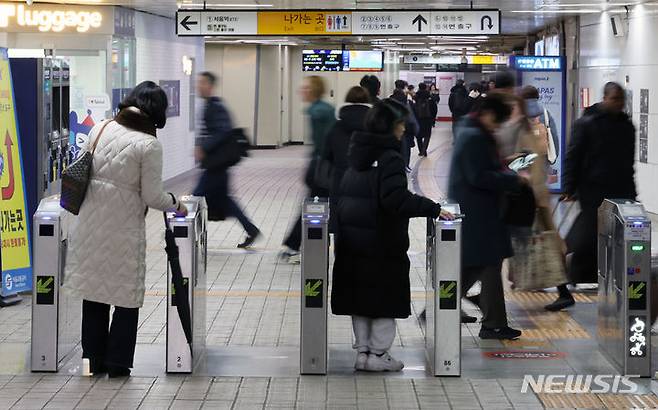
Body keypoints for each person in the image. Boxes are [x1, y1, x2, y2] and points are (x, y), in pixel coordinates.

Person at [65, 81, 187, 378]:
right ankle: (118, 364)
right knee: (125, 296)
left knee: (93, 294)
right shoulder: (149, 145)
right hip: (123, 232)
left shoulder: (102, 128)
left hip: (89, 227)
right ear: (157, 113)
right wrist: (177, 205)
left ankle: (90, 363)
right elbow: (152, 196)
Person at [331, 99, 454, 372]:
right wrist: (433, 208)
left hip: (353, 241)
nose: (402, 129)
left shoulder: (357, 153)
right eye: (400, 124)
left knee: (361, 298)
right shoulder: (390, 158)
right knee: (384, 298)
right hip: (381, 242)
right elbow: (395, 199)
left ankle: (363, 352)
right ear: (391, 126)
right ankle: (378, 354)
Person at [546, 82, 637, 311]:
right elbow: (573, 156)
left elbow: (628, 162)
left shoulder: (627, 127)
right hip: (592, 192)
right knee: (584, 238)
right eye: (614, 99)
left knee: (615, 239)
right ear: (604, 97)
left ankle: (599, 279)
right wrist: (568, 187)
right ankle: (568, 283)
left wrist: (632, 193)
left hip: (622, 192)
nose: (618, 104)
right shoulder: (587, 124)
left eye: (621, 100)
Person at [448, 93, 526, 340]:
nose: (497, 127)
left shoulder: (471, 130)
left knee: (474, 265)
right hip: (478, 212)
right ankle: (493, 324)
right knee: (489, 264)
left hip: (477, 211)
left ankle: (441, 307)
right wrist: (514, 178)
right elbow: (478, 176)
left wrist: (504, 163)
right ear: (488, 114)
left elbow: (481, 167)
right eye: (497, 122)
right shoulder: (474, 136)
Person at [193, 71, 260, 248]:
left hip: (217, 164)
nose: (198, 86)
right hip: (216, 165)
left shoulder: (216, 107)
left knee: (195, 198)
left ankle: (189, 236)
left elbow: (223, 131)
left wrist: (204, 147)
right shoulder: (209, 105)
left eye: (202, 83)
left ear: (210, 86)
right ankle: (251, 230)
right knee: (225, 201)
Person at [281, 76, 336, 263]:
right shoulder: (323, 109)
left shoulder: (317, 111)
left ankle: (296, 245)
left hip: (320, 167)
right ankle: (296, 244)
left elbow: (322, 143)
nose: (301, 91)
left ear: (313, 90)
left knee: (314, 206)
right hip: (324, 166)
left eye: (305, 88)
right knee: (318, 205)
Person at [323, 86, 370, 233]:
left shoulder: (335, 127)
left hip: (340, 183)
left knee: (341, 227)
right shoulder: (375, 126)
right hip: (368, 183)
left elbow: (326, 154)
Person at [521, 85, 560, 184]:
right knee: (539, 187)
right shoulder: (545, 113)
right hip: (542, 159)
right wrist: (553, 158)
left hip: (522, 159)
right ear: (537, 97)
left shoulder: (518, 113)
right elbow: (554, 136)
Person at [390, 80, 419, 168]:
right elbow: (412, 117)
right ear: (404, 87)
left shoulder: (390, 99)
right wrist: (415, 130)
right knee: (406, 148)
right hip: (406, 128)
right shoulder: (407, 101)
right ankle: (405, 165)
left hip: (393, 129)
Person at [414, 83, 437, 157]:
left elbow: (413, 109)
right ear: (426, 88)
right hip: (428, 119)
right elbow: (434, 109)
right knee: (427, 135)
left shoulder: (415, 97)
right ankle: (424, 150)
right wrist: (433, 119)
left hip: (418, 119)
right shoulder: (430, 97)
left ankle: (421, 151)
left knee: (419, 136)